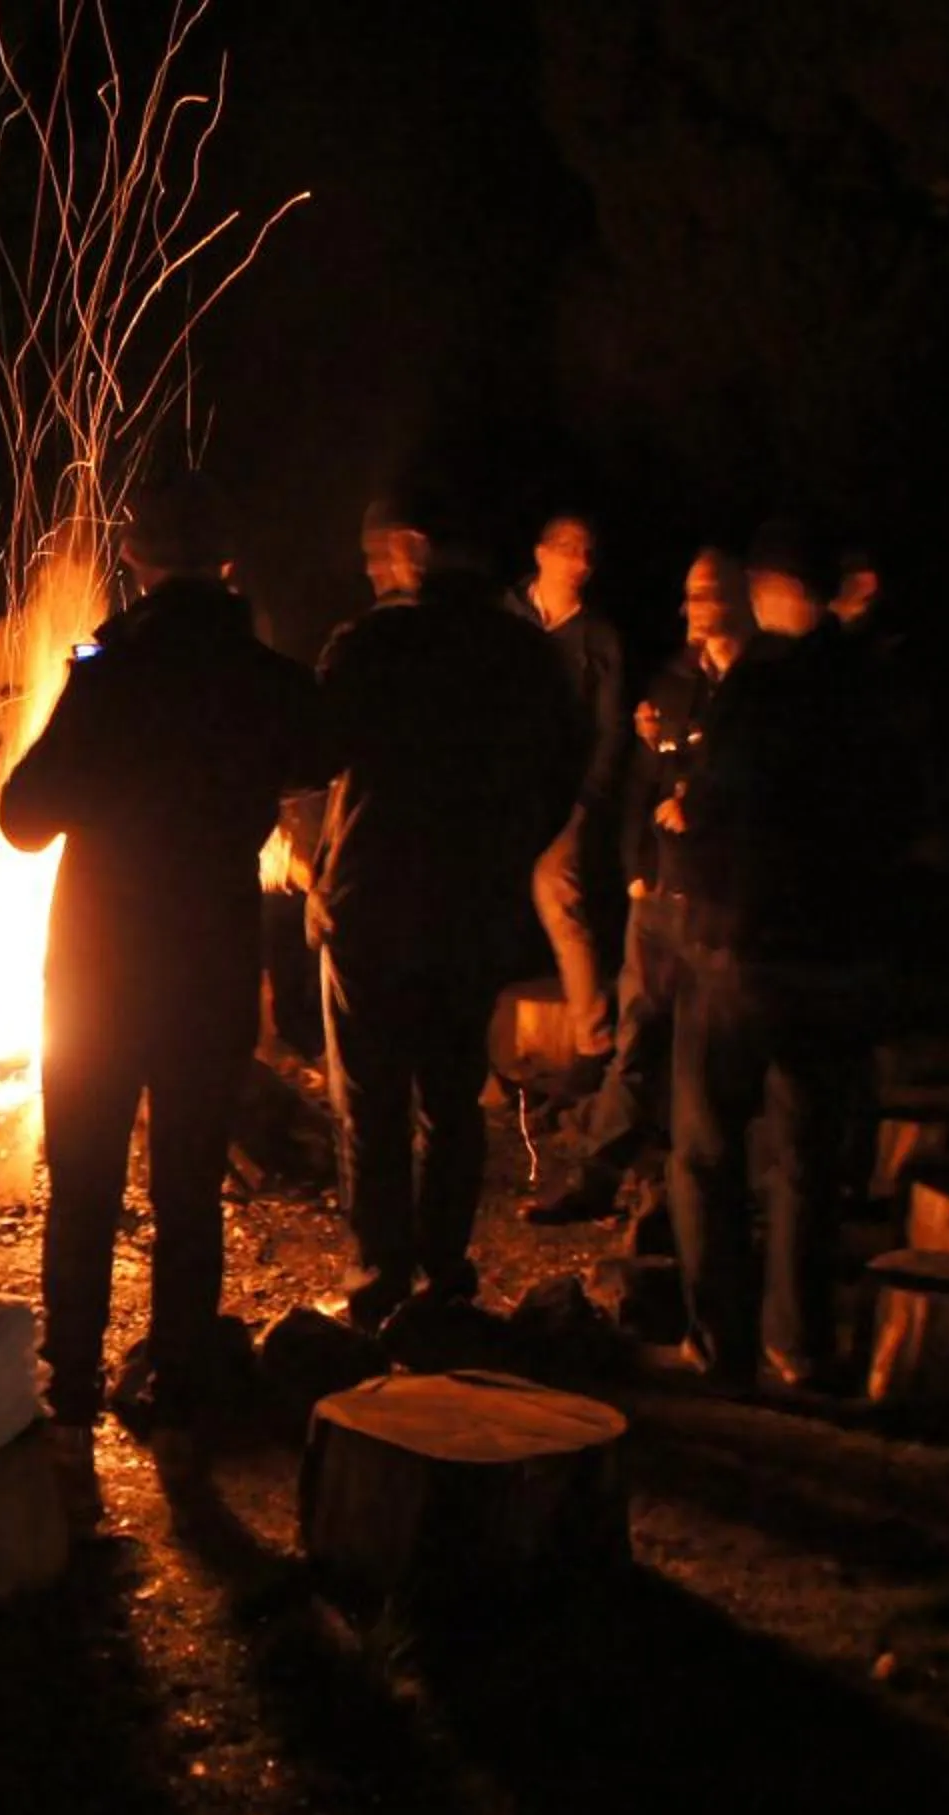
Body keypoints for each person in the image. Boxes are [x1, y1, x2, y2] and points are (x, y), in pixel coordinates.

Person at [0, 482, 320, 1489]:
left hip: (99, 963)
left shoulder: (108, 669)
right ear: (226, 565)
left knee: (86, 1181)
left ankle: (70, 1392)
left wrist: (94, 714)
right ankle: (180, 1393)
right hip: (210, 961)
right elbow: (318, 747)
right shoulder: (265, 674)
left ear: (135, 563)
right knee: (186, 1184)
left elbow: (22, 818)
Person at [314, 498, 583, 1332]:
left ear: (419, 552)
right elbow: (563, 772)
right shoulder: (527, 658)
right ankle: (443, 1277)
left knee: (372, 1102)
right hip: (470, 909)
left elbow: (310, 750)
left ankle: (378, 1283)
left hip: (370, 904)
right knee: (451, 1099)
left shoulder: (371, 644)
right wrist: (502, 856)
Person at [662, 522, 917, 1389]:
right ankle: (798, 1343)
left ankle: (719, 1339)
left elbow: (720, 811)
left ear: (774, 589)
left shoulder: (761, 686)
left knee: (707, 1151)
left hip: (748, 954)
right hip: (838, 956)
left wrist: (688, 852)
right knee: (808, 1158)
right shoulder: (872, 686)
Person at [529, 548, 750, 1222]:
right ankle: (599, 1178)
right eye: (689, 594)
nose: (694, 607)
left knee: (703, 1059)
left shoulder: (758, 692)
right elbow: (640, 784)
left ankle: (693, 1202)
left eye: (709, 593)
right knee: (635, 1037)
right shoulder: (674, 683)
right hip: (655, 894)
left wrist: (701, 805)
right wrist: (632, 870)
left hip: (717, 903)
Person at [505, 514, 629, 1091]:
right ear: (541, 553)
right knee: (480, 905)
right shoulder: (508, 618)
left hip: (567, 796)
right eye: (569, 551)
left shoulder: (598, 639)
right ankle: (477, 1053)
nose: (580, 563)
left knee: (558, 888)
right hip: (504, 790)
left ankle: (591, 1041)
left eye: (588, 554)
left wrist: (587, 806)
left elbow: (610, 732)